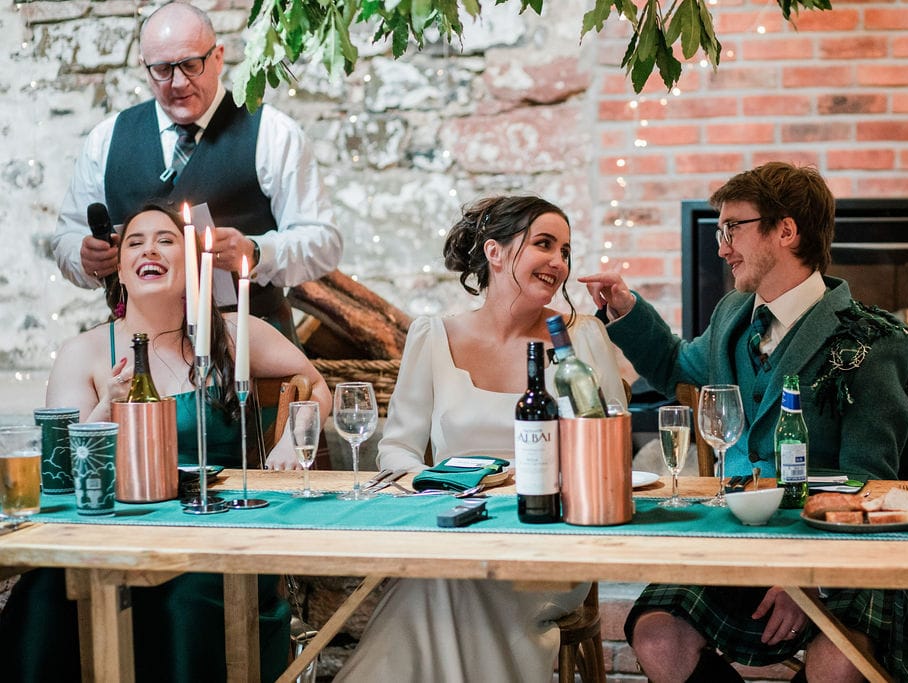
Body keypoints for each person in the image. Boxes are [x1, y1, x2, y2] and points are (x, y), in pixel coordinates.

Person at [581, 162, 908, 682]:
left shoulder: (871, 340)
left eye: (733, 228)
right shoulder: (733, 313)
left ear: (786, 231)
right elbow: (676, 366)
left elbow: (871, 484)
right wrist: (625, 308)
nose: (722, 245)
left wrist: (808, 579)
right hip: (735, 535)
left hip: (833, 555)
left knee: (837, 664)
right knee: (658, 634)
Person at [0, 204, 332, 682]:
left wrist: (293, 441)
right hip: (117, 537)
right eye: (135, 242)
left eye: (166, 240)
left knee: (183, 599)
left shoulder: (234, 333)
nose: (149, 249)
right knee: (48, 589)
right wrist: (106, 406)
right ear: (119, 268)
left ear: (193, 263)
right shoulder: (84, 352)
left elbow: (314, 385)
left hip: (217, 541)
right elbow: (63, 471)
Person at [335, 195, 628, 681]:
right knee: (446, 572)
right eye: (544, 244)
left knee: (445, 582)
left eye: (565, 251)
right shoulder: (433, 336)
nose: (559, 262)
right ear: (494, 252)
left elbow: (607, 446)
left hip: (548, 539)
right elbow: (399, 448)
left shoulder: (582, 338)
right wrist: (427, 490)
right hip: (456, 528)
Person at [51, 1, 341, 341]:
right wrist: (84, 258)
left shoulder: (275, 133)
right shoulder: (105, 138)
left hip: (252, 345)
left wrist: (256, 252)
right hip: (141, 351)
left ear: (217, 57)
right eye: (162, 69)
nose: (177, 82)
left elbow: (324, 243)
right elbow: (65, 238)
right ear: (144, 67)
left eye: (190, 65)